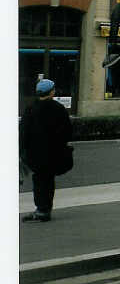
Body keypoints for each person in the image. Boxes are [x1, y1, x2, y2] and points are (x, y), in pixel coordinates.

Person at [20, 79, 73, 222]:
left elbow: (23, 133)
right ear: (51, 92)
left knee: (39, 181)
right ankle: (46, 209)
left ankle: (41, 210)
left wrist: (22, 152)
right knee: (49, 180)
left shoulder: (30, 108)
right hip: (53, 154)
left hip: (35, 154)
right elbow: (68, 132)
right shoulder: (59, 109)